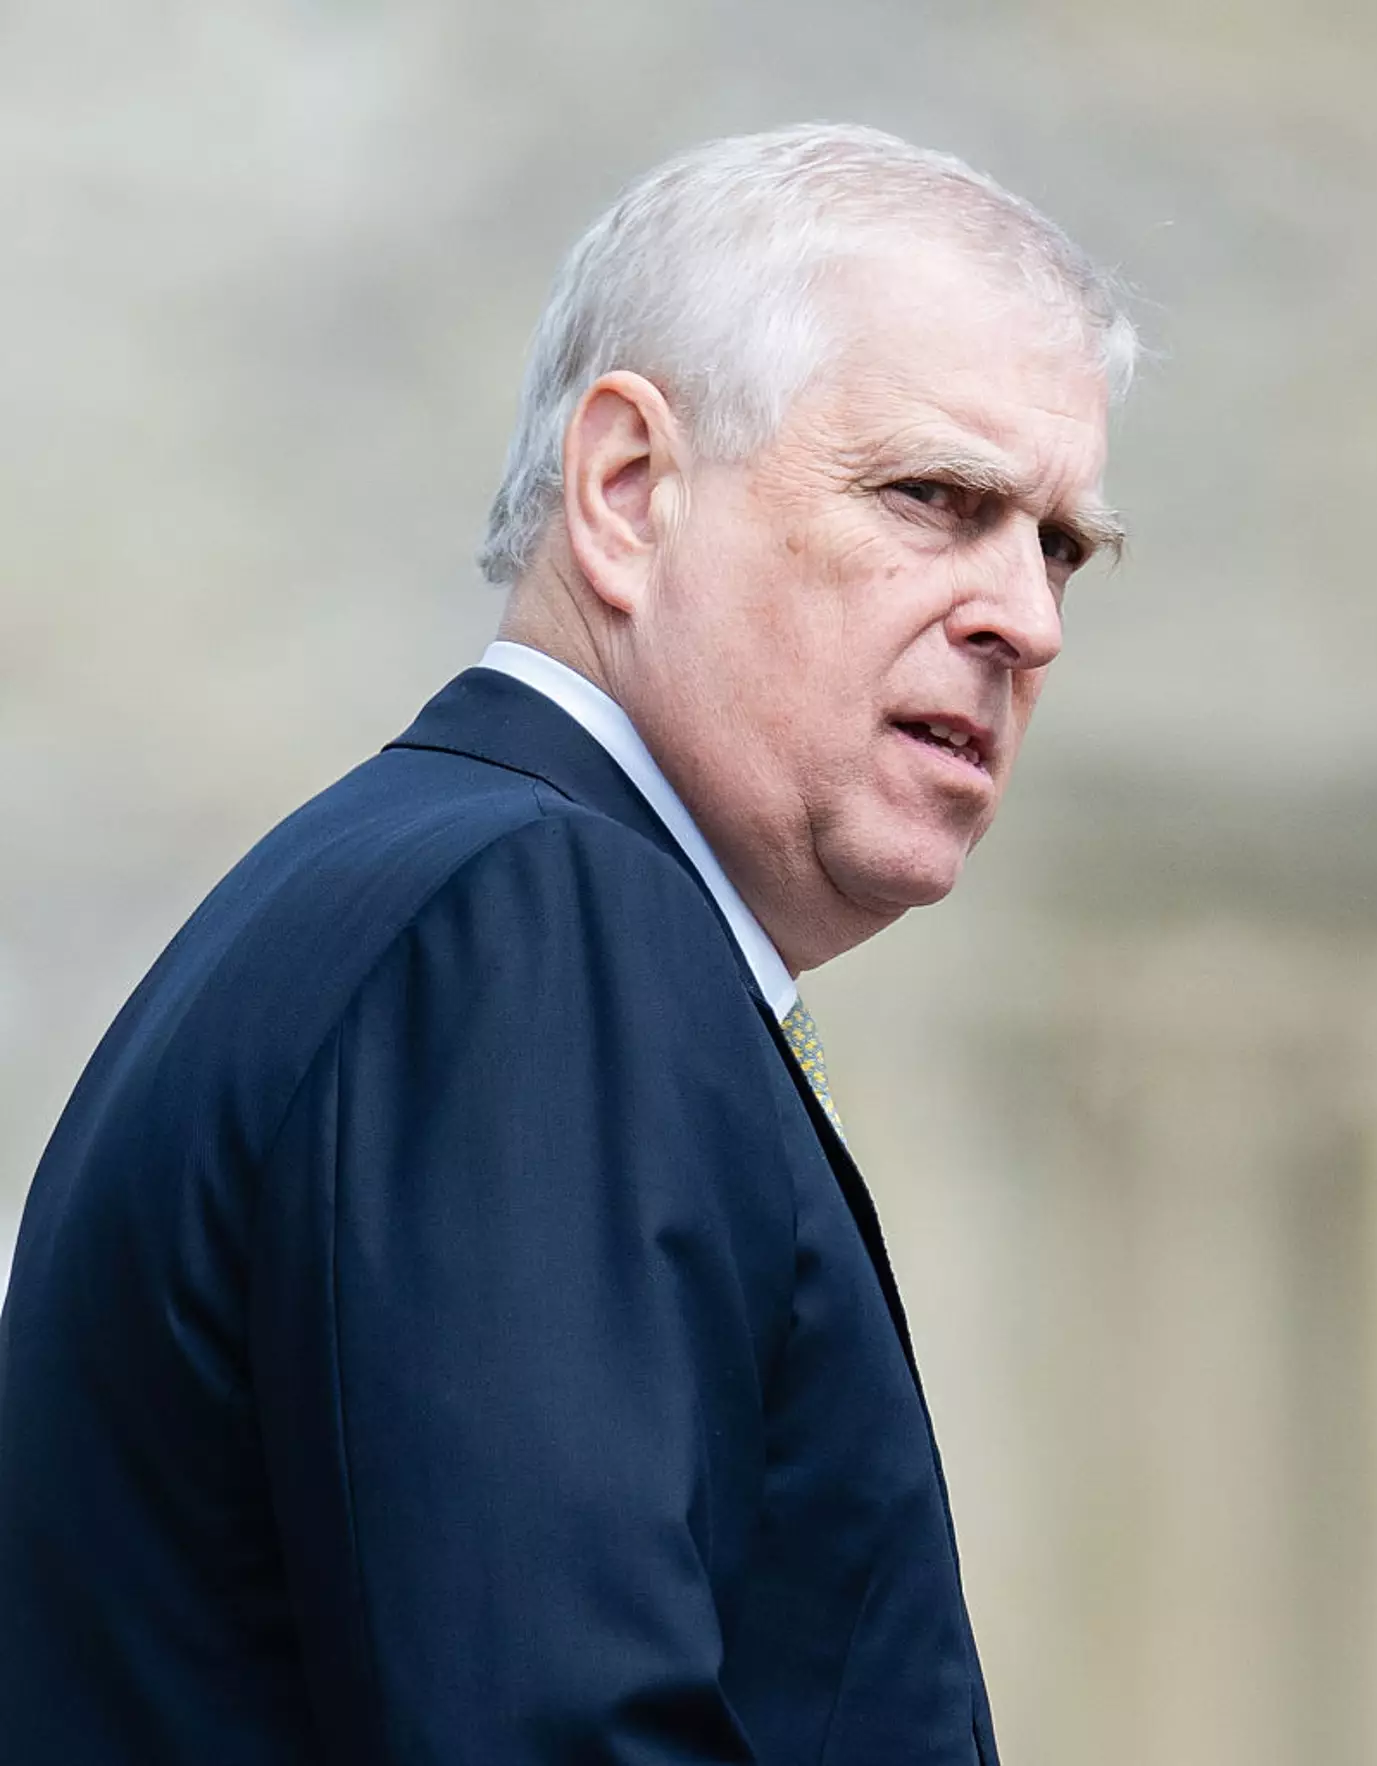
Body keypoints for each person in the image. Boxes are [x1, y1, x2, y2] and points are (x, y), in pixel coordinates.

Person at [0, 124, 1132, 1764]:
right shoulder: (527, 927)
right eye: (935, 497)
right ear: (625, 490)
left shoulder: (429, 891)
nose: (1024, 615)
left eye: (1060, 544)